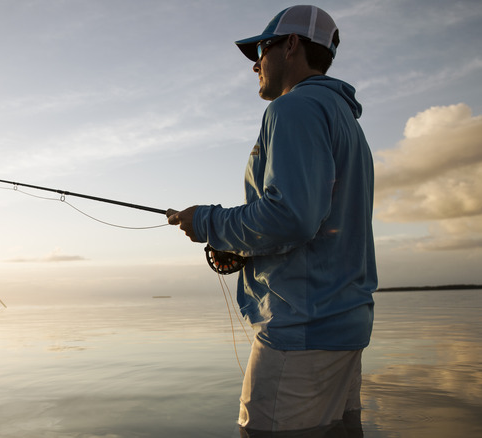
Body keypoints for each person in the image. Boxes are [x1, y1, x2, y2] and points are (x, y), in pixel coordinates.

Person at [167, 5, 376, 434]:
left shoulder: (293, 109)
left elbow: (292, 218)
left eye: (260, 50)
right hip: (344, 326)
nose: (255, 64)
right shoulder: (344, 119)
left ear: (292, 45)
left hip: (301, 332)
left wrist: (208, 223)